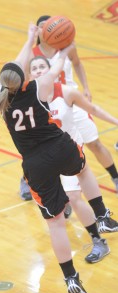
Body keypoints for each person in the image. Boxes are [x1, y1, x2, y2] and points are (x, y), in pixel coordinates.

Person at [0, 23, 93, 293]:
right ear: (24, 77)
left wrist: (30, 39)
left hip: (34, 165)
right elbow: (55, 66)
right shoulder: (37, 88)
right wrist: (63, 47)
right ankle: (102, 216)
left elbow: (11, 72)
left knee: (55, 223)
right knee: (83, 170)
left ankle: (71, 279)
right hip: (59, 148)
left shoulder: (0, 96)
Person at [20, 15, 118, 201]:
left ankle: (115, 176)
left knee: (94, 143)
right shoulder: (33, 54)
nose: (44, 29)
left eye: (48, 26)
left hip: (70, 99)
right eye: (41, 26)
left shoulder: (65, 46)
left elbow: (78, 64)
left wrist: (86, 87)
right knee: (40, 148)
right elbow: (25, 77)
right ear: (39, 31)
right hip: (46, 105)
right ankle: (27, 180)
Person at [28, 56, 118, 236]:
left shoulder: (65, 92)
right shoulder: (30, 99)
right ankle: (97, 216)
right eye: (34, 68)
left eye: (42, 67)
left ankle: (99, 234)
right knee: (63, 202)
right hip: (49, 157)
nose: (38, 70)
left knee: (74, 196)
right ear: (30, 75)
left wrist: (116, 121)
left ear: (51, 71)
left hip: (71, 152)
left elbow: (93, 109)